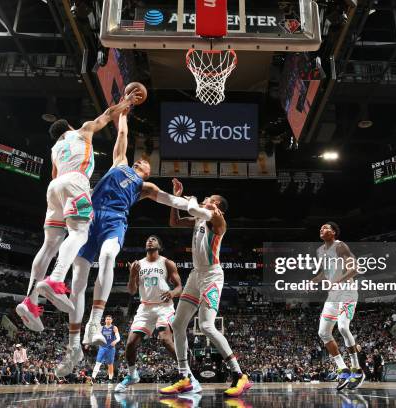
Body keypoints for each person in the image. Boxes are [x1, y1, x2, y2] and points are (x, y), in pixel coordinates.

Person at [56, 109, 200, 376]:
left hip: (114, 221)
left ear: (147, 173)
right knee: (77, 280)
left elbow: (171, 201)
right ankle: (74, 345)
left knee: (109, 256)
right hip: (90, 217)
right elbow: (122, 132)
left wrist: (193, 205)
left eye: (145, 164)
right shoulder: (119, 163)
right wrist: (124, 111)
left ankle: (94, 323)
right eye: (139, 161)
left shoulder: (146, 188)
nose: (141, 162)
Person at [15, 92, 141, 331]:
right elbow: (106, 115)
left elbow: (54, 175)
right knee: (80, 233)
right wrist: (126, 104)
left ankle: (29, 301)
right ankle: (56, 279)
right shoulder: (81, 131)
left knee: (49, 245)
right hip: (75, 182)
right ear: (70, 127)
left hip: (54, 189)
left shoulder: (55, 148)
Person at [159, 179, 252, 397]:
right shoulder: (200, 218)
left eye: (209, 199)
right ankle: (185, 377)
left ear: (216, 206)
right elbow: (175, 222)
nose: (205, 199)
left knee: (207, 325)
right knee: (178, 324)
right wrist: (175, 200)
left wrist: (187, 198)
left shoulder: (217, 220)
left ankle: (239, 375)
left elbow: (192, 206)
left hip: (211, 275)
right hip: (195, 275)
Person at [115, 235, 188, 392]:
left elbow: (179, 287)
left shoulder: (167, 263)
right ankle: (132, 375)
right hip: (145, 307)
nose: (150, 240)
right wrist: (132, 274)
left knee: (166, 340)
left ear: (159, 246)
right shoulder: (137, 264)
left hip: (164, 306)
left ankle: (186, 374)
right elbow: (132, 291)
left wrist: (172, 293)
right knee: (130, 344)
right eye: (148, 239)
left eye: (154, 239)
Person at [311, 222, 364, 390]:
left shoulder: (340, 246)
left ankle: (357, 368)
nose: (322, 229)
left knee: (342, 327)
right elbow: (326, 272)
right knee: (323, 332)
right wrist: (313, 280)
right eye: (320, 228)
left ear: (333, 232)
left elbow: (354, 269)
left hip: (347, 291)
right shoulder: (320, 251)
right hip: (333, 295)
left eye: (326, 227)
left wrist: (338, 281)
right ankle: (343, 369)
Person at [91, 315, 120, 383]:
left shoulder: (114, 328)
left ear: (111, 320)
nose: (108, 320)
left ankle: (110, 379)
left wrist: (115, 341)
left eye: (110, 319)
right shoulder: (101, 328)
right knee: (98, 362)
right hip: (102, 347)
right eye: (107, 319)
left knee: (110, 364)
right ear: (105, 320)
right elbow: (97, 336)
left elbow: (118, 338)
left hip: (111, 348)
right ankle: (92, 378)